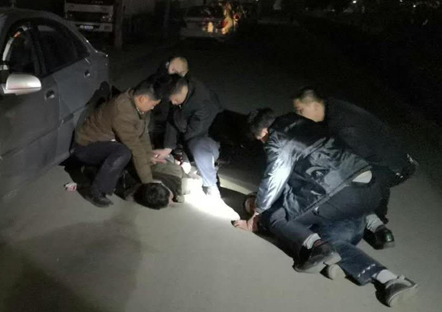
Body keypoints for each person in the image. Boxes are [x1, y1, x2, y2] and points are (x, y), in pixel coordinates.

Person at [234, 108, 380, 273]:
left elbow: (275, 178)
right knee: (314, 222)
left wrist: (258, 211)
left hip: (345, 194)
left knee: (276, 217)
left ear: (265, 131)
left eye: (261, 139)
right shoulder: (296, 121)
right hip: (371, 187)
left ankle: (319, 248)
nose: (263, 143)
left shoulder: (277, 140)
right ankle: (374, 236)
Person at [293, 87, 418, 249]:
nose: (298, 114)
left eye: (300, 110)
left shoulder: (345, 128)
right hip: (389, 159)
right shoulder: (332, 107)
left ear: (315, 106)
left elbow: (355, 164)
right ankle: (379, 227)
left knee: (347, 183)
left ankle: (373, 224)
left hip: (394, 168)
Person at [73, 77, 165, 207]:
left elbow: (143, 134)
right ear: (143, 99)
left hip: (105, 142)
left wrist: (149, 156)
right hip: (86, 146)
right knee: (124, 152)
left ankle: (95, 170)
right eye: (153, 105)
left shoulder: (138, 106)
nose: (153, 108)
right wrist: (148, 182)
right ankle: (95, 191)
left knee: (130, 153)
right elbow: (136, 148)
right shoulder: (122, 112)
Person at [153, 75, 224, 197]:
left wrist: (185, 158)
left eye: (175, 100)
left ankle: (211, 184)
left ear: (182, 92)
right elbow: (172, 120)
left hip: (207, 138)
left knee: (198, 148)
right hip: (187, 132)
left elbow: (193, 133)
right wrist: (168, 147)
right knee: (161, 137)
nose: (173, 103)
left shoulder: (204, 102)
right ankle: (188, 164)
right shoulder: (180, 91)